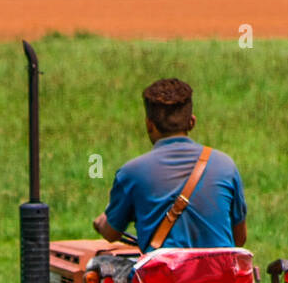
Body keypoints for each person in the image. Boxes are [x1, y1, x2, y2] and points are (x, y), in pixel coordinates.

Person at [93, 77, 247, 253]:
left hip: (161, 280)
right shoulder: (226, 166)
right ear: (192, 122)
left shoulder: (132, 173)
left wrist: (101, 222)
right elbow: (239, 238)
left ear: (149, 125)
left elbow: (111, 233)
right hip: (220, 279)